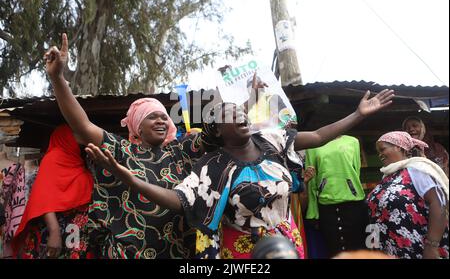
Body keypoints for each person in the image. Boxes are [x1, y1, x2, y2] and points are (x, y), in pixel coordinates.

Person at [85, 87, 394, 259]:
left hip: (289, 241)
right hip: (243, 253)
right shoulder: (213, 166)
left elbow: (317, 136)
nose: (241, 115)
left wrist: (357, 114)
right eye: (231, 114)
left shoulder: (272, 140)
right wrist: (128, 177)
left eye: (242, 111)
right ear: (218, 129)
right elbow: (178, 200)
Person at [44, 34, 204, 258]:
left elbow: (223, 132)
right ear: (137, 127)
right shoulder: (122, 151)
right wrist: (58, 79)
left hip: (181, 254)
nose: (160, 120)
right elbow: (82, 125)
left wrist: (251, 100)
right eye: (151, 117)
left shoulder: (182, 151)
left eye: (163, 117)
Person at [13, 125, 94, 259]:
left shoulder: (77, 161)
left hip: (74, 233)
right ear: (65, 138)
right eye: (75, 134)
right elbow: (43, 197)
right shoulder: (53, 159)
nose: (81, 137)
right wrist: (54, 231)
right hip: (54, 231)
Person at [367, 131, 449, 259]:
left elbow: (439, 203)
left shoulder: (418, 171)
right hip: (389, 251)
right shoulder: (387, 178)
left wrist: (431, 246)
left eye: (383, 149)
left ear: (398, 147)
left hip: (417, 250)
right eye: (378, 151)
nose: (380, 154)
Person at [305, 135, 368, 258]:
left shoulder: (353, 141)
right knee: (334, 250)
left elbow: (356, 171)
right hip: (326, 205)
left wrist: (352, 189)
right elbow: (311, 180)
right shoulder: (312, 146)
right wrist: (313, 212)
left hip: (354, 203)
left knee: (358, 247)